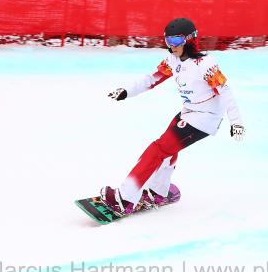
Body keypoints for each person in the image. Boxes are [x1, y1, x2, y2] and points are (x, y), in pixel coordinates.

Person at [100, 18, 245, 216]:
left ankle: (124, 198)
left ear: (189, 39)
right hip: (189, 111)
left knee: (158, 149)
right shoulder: (173, 60)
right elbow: (153, 79)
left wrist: (236, 122)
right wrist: (127, 91)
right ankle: (158, 192)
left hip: (206, 118)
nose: (171, 46)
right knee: (167, 150)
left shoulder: (204, 64)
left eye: (176, 41)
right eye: (168, 41)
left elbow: (225, 91)